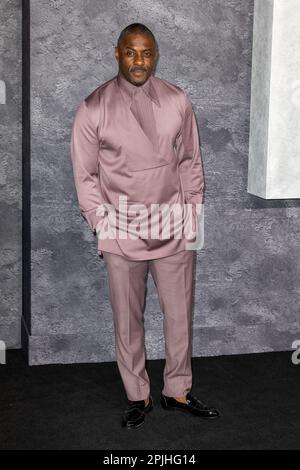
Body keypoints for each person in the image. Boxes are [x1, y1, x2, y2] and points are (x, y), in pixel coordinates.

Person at [70, 22, 220, 429]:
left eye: (147, 53)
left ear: (156, 55)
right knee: (127, 320)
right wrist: (103, 226)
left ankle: (177, 391)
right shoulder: (93, 107)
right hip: (121, 230)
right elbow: (85, 177)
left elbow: (190, 162)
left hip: (173, 225)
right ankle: (138, 395)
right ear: (117, 52)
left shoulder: (177, 100)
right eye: (132, 52)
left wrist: (192, 221)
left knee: (179, 316)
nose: (140, 61)